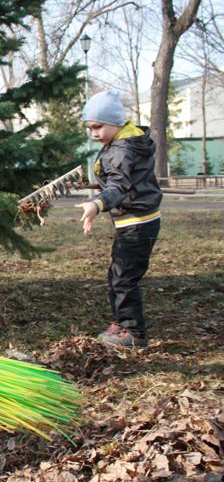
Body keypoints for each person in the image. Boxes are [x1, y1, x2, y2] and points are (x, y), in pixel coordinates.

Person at [74, 90, 162, 348]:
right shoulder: (125, 143)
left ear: (115, 122)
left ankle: (133, 333)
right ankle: (123, 323)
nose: (94, 134)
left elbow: (119, 186)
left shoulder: (121, 150)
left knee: (123, 279)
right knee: (119, 276)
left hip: (136, 224)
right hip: (138, 222)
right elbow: (120, 180)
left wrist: (96, 203)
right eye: (90, 129)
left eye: (98, 127)